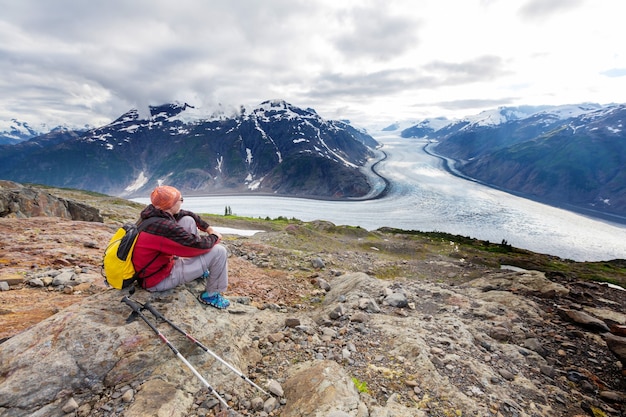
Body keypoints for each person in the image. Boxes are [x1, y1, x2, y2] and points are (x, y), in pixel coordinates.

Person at [132, 185, 230, 309]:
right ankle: (211, 295)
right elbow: (197, 246)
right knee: (219, 251)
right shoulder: (164, 227)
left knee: (187, 220)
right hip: (157, 280)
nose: (182, 202)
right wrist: (215, 237)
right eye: (180, 200)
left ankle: (200, 271)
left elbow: (187, 214)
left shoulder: (153, 214)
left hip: (149, 271)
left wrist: (208, 228)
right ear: (171, 204)